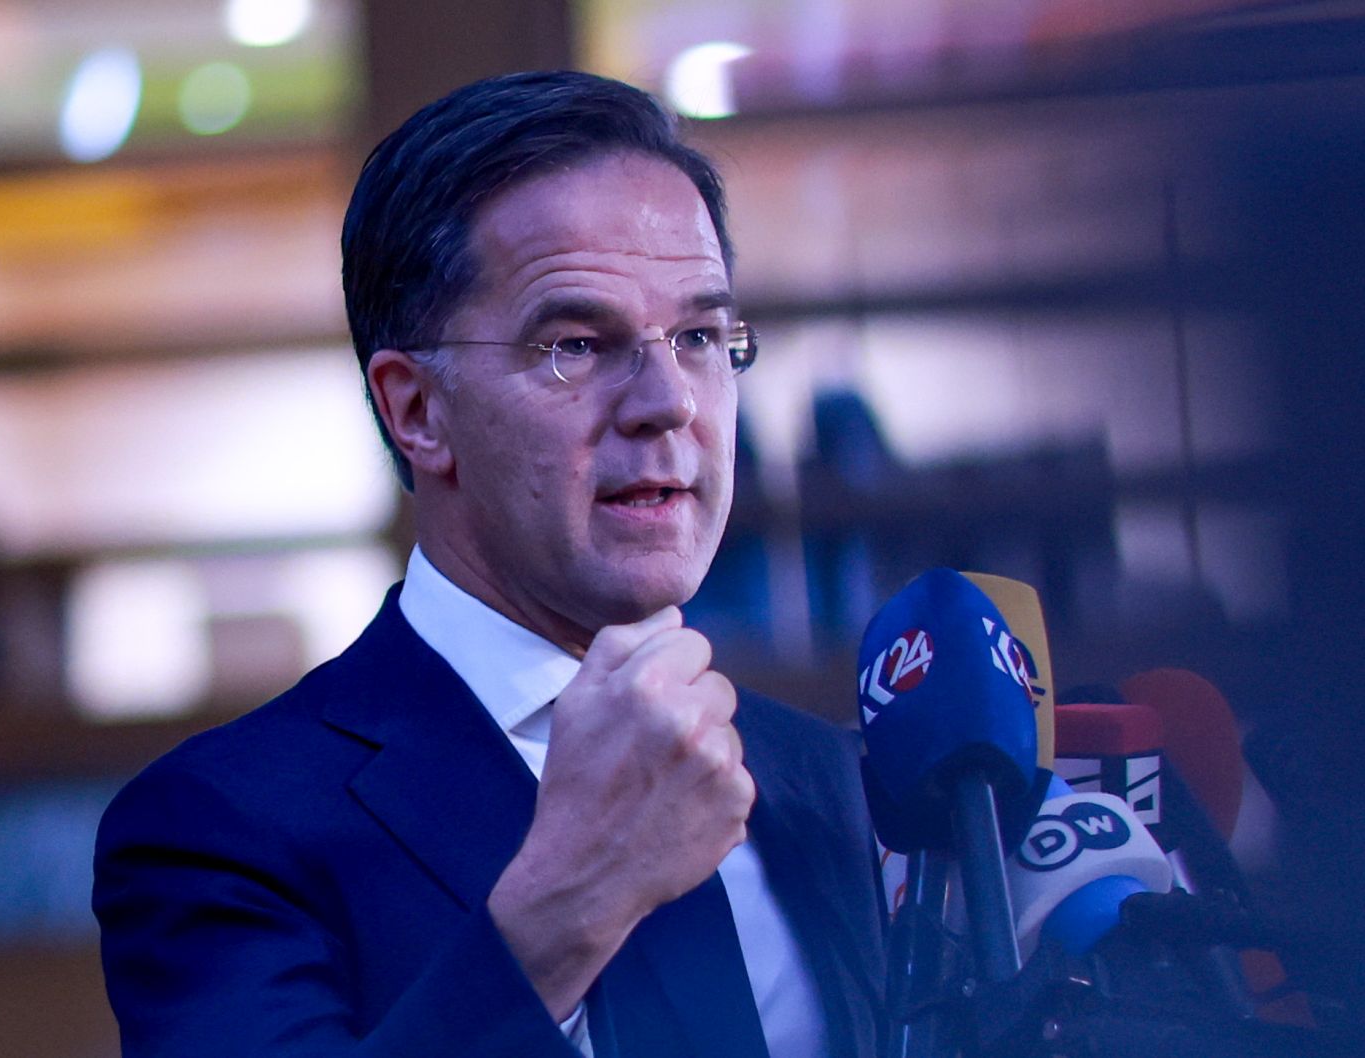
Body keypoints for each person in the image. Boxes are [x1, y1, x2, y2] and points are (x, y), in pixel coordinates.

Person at [93, 71, 885, 1058]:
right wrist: (572, 903)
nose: (668, 400)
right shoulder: (220, 829)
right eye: (577, 343)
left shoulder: (823, 779)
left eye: (696, 334)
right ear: (417, 410)